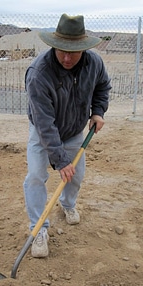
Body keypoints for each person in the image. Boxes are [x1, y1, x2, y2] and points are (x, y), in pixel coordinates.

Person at [24, 13, 111, 258]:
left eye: (73, 51)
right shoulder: (39, 73)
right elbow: (44, 122)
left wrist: (98, 111)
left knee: (76, 176)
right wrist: (60, 160)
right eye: (61, 50)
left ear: (83, 47)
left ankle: (68, 204)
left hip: (74, 131)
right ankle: (38, 228)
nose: (66, 57)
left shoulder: (94, 63)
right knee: (35, 176)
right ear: (54, 44)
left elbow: (103, 86)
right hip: (43, 133)